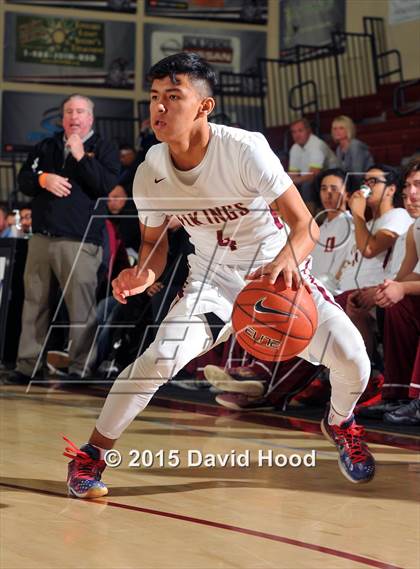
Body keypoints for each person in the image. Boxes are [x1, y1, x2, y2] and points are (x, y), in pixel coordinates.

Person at [64, 52, 375, 499]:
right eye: (154, 98)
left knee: (354, 360)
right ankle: (90, 457)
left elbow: (306, 225)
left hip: (277, 279)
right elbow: (156, 245)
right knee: (160, 359)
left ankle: (340, 421)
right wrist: (140, 272)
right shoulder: (151, 171)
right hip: (213, 283)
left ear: (203, 106)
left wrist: (287, 258)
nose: (160, 108)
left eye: (173, 97)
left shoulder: (244, 149)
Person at [8, 94, 119, 384]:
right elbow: (24, 180)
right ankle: (28, 366)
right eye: (69, 111)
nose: (74, 116)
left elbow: (105, 186)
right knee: (34, 303)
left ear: (90, 118)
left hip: (80, 241)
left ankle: (80, 369)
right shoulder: (47, 145)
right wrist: (43, 179)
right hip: (42, 238)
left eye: (80, 111)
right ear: (63, 117)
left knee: (80, 308)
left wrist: (81, 155)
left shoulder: (104, 148)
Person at [372, 159, 420, 424]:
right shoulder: (416, 228)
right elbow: (408, 274)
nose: (411, 194)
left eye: (418, 186)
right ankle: (398, 393)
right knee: (395, 305)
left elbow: (407, 283)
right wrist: (388, 289)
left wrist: (401, 287)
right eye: (408, 187)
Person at [310, 168, 353, 294]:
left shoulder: (351, 225)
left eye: (334, 189)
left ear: (347, 195)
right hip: (311, 290)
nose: (328, 193)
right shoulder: (319, 229)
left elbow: (339, 274)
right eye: (324, 189)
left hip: (330, 295)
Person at [288, 118, 338, 209]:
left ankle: (310, 217)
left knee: (307, 185)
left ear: (309, 131)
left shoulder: (316, 145)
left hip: (334, 177)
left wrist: (292, 181)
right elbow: (293, 175)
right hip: (314, 179)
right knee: (289, 187)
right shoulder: (294, 148)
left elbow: (313, 174)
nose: (297, 135)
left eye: (300, 130)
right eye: (294, 132)